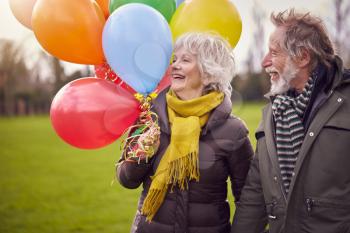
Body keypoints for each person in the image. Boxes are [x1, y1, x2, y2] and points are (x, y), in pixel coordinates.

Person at [116, 32, 254, 233]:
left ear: (208, 73)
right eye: (174, 60)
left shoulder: (233, 131)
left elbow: (249, 199)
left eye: (185, 60)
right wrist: (141, 156)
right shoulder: (149, 119)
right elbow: (125, 180)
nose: (174, 65)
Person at [231, 8, 350, 233]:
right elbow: (255, 195)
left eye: (274, 53)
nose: (265, 62)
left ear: (303, 57)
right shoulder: (272, 114)